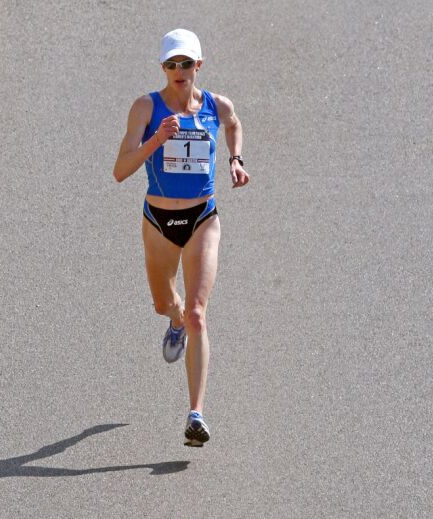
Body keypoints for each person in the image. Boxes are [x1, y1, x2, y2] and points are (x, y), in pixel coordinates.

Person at [113, 28, 249, 447]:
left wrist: (236, 160)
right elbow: (120, 170)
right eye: (171, 64)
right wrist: (157, 138)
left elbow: (233, 122)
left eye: (186, 63)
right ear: (162, 67)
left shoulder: (215, 104)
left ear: (198, 66)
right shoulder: (145, 107)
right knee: (165, 304)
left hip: (203, 219)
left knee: (198, 313)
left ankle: (196, 414)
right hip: (158, 221)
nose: (178, 71)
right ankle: (173, 321)